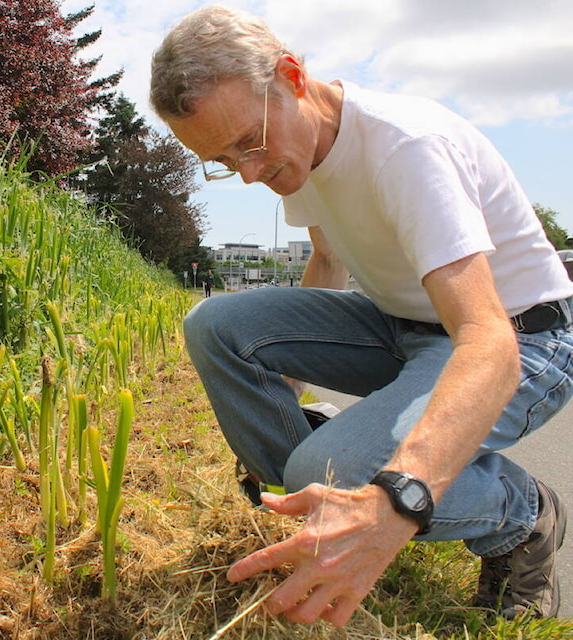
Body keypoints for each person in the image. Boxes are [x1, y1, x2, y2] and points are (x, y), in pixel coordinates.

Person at [150, 5, 572, 627]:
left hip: (520, 338)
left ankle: (520, 513)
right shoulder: (294, 150)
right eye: (221, 160)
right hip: (402, 326)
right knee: (214, 325)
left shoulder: (407, 150)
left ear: (291, 75)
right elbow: (326, 260)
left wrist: (397, 496)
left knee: (330, 468)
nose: (248, 175)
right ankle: (323, 497)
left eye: (249, 143)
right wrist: (281, 401)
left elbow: (487, 342)